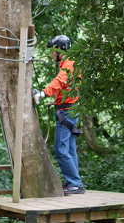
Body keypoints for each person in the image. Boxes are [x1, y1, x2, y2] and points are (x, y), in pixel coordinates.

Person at [32, 35, 85, 195]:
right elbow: (66, 87)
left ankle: (75, 183)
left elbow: (60, 81)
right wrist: (55, 101)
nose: (51, 55)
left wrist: (43, 93)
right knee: (69, 149)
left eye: (52, 52)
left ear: (59, 50)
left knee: (60, 149)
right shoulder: (71, 63)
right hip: (68, 109)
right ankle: (73, 182)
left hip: (66, 112)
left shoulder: (69, 65)